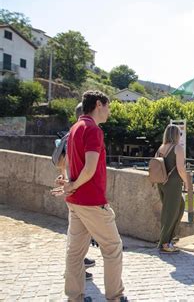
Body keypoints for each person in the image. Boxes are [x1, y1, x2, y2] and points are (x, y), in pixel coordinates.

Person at [54, 90, 127, 302]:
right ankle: (115, 296)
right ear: (98, 104)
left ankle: (74, 297)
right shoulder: (93, 130)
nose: (110, 111)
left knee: (75, 253)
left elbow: (67, 162)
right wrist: (73, 184)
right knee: (113, 248)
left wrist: (69, 185)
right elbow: (90, 168)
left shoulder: (75, 127)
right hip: (91, 201)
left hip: (75, 201)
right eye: (108, 106)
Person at [53, 102, 95, 281]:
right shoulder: (80, 133)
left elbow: (62, 161)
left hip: (71, 187)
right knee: (78, 234)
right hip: (77, 189)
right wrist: (71, 183)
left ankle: (79, 264)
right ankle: (75, 270)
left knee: (77, 233)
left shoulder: (72, 132)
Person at [156, 124, 187, 253]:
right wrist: (187, 181)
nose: (180, 136)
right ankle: (164, 243)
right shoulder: (177, 148)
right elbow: (180, 168)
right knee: (171, 212)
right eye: (180, 134)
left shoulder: (161, 148)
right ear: (175, 135)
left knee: (179, 206)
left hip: (162, 182)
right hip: (173, 183)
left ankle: (170, 237)